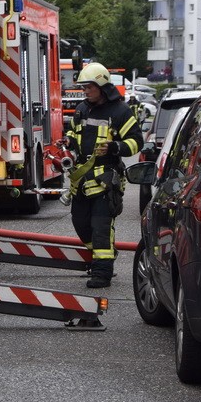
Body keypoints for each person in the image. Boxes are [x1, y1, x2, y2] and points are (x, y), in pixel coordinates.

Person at [63, 62, 143, 288]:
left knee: (101, 228)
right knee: (80, 223)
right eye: (83, 87)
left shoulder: (120, 111)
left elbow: (137, 142)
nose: (85, 91)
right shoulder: (81, 109)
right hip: (82, 180)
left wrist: (115, 147)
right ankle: (104, 255)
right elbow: (72, 131)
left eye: (89, 86)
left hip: (105, 180)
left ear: (101, 85)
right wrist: (68, 140)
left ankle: (102, 272)